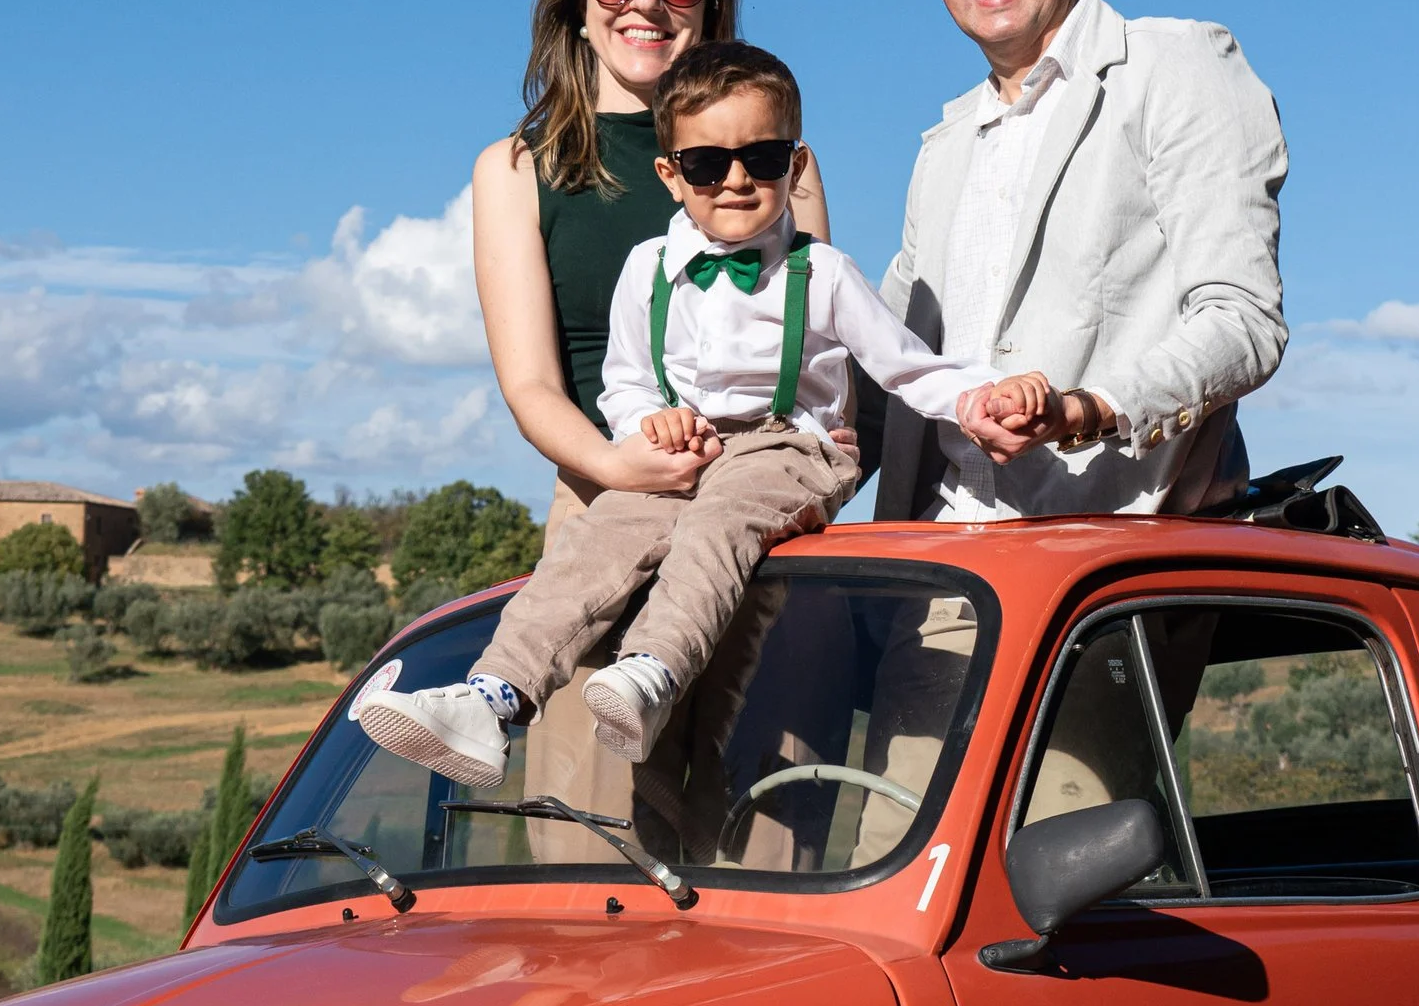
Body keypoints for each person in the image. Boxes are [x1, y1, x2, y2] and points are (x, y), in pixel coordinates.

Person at [364, 43, 1038, 791]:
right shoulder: (647, 270)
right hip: (685, 449)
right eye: (709, 165)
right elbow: (623, 381)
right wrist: (651, 423)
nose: (738, 180)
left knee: (722, 521)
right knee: (601, 535)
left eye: (764, 157)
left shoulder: (824, 275)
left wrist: (977, 401)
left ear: (797, 163)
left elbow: (906, 368)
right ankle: (494, 696)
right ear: (671, 174)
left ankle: (652, 670)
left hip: (794, 448)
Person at [866, 0, 1288, 526]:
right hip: (934, 568)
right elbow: (884, 369)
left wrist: (1083, 411)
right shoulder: (942, 147)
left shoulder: (1176, 68)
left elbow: (1242, 320)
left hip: (1105, 576)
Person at [469, 0, 831, 524]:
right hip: (599, 513)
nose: (646, 2)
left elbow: (814, 353)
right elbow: (532, 386)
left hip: (761, 521)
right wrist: (615, 465)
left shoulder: (782, 162)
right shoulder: (516, 171)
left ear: (711, 2)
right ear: (580, 1)